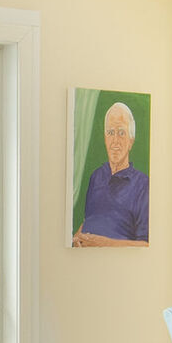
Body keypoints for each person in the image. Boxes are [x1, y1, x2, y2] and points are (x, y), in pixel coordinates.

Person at [74, 100, 148, 245]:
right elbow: (90, 220)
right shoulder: (95, 177)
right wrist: (78, 237)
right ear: (104, 137)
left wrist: (103, 244)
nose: (115, 140)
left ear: (131, 140)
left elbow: (146, 244)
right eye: (110, 132)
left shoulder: (143, 185)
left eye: (121, 133)